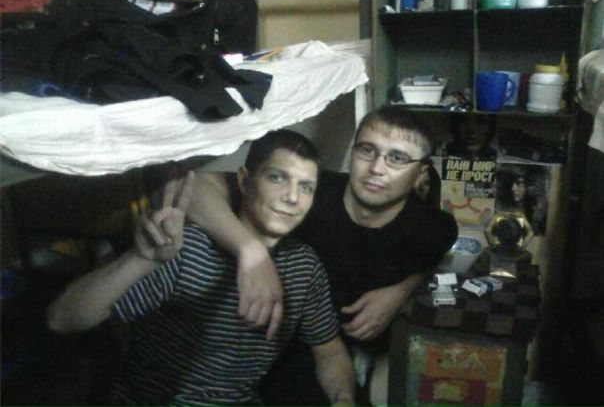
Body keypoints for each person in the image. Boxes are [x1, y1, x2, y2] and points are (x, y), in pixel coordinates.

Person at [46, 130, 357, 407]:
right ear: (244, 181)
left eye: (306, 187)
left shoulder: (304, 266)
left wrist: (343, 398)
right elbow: (62, 319)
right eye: (277, 178)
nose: (292, 197)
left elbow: (328, 348)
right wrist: (140, 259)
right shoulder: (187, 248)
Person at [188, 108, 458, 406]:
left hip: (352, 351)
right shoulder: (309, 193)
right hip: (284, 347)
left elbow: (433, 261)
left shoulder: (432, 229)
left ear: (420, 174)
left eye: (397, 158)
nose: (376, 168)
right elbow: (193, 187)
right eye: (367, 150)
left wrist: (402, 291)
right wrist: (251, 253)